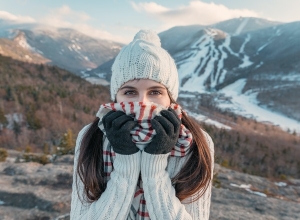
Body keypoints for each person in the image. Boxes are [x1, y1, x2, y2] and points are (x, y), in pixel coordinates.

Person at [70, 30, 214, 220]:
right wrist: (125, 161)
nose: (143, 102)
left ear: (170, 97)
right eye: (130, 92)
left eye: (155, 92)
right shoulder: (93, 136)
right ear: (116, 96)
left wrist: (154, 165)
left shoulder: (193, 142)